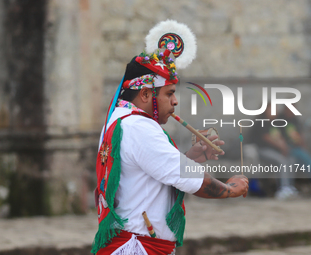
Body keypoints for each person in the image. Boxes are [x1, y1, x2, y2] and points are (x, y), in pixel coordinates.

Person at [92, 20, 248, 255]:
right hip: (138, 247)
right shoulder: (139, 127)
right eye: (170, 93)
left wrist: (189, 157)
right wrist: (231, 188)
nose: (175, 101)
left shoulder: (120, 119)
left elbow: (151, 175)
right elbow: (189, 179)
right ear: (145, 93)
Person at [250, 104, 297, 200]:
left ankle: (290, 187)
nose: (275, 112)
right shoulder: (261, 122)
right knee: (282, 161)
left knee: (291, 160)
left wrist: (284, 147)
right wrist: (282, 147)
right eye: (272, 109)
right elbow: (266, 138)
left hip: (276, 151)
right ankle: (283, 189)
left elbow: (281, 137)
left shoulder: (276, 123)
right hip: (262, 150)